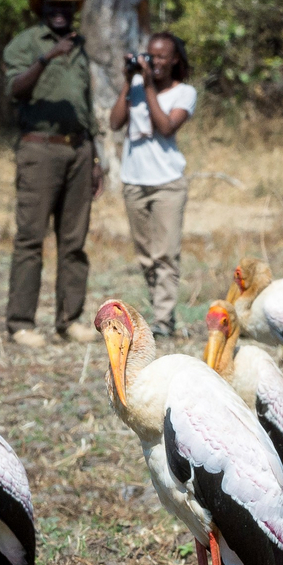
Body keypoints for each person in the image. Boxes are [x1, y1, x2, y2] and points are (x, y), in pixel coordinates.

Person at [2, 0, 103, 348]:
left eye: (66, 7)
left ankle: (70, 319)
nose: (60, 13)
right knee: (30, 238)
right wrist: (48, 57)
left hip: (78, 149)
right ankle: (21, 323)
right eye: (52, 7)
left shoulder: (80, 48)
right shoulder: (26, 44)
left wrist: (95, 157)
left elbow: (86, 105)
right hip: (39, 149)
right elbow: (15, 89)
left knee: (74, 240)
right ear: (42, 9)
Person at [108, 32, 197, 338]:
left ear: (174, 60)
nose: (155, 62)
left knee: (166, 253)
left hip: (167, 183)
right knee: (146, 254)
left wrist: (146, 86)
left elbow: (166, 126)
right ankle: (157, 310)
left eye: (162, 57)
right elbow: (115, 123)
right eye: (151, 55)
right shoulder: (134, 87)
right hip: (134, 180)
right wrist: (127, 81)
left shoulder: (184, 92)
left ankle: (164, 318)